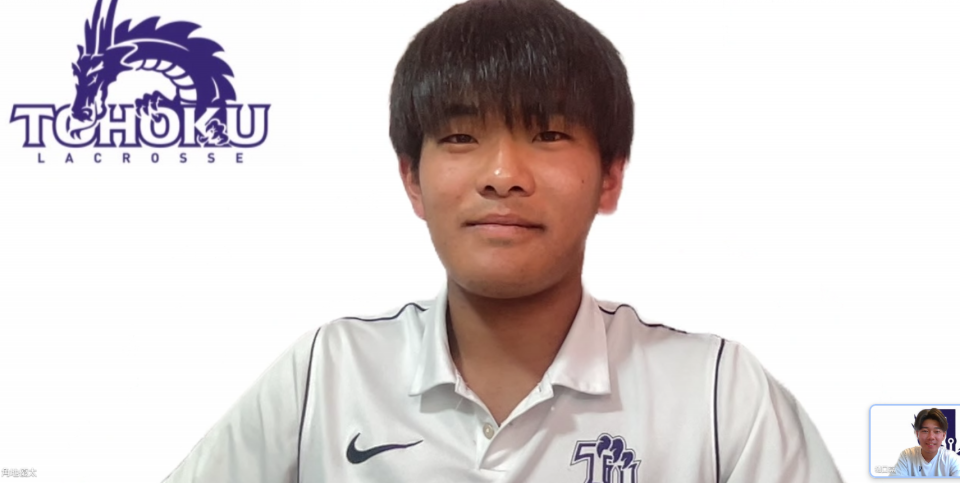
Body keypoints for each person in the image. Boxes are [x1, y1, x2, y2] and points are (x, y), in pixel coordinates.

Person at [162, 0, 842, 481]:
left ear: (610, 177)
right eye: (461, 136)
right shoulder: (328, 375)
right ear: (412, 180)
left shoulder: (718, 395)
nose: (502, 175)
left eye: (548, 134)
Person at [892, 408, 960, 477]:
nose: (931, 437)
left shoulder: (952, 460)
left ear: (943, 435)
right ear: (917, 434)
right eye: (925, 431)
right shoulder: (906, 456)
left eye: (937, 431)